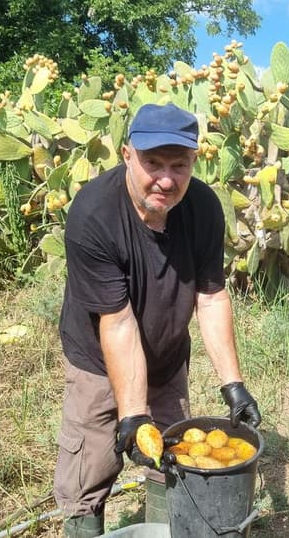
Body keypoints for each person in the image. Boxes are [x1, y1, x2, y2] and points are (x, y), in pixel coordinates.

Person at [53, 102, 262, 537]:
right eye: (153, 163)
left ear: (194, 162)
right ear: (128, 155)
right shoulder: (94, 214)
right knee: (89, 469)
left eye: (179, 165)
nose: (166, 179)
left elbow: (210, 296)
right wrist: (132, 414)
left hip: (167, 360)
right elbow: (118, 321)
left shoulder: (203, 207)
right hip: (98, 360)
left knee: (172, 460)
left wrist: (234, 385)